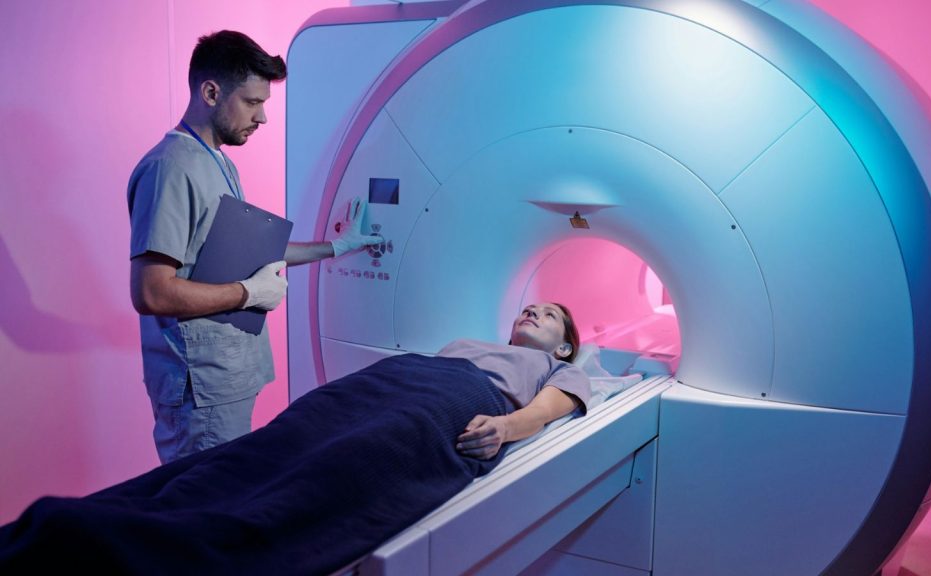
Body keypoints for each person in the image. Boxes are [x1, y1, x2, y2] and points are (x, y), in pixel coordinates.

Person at [0, 302, 591, 575]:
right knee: (271, 445)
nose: (532, 312)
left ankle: (146, 546)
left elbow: (553, 407)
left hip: (453, 401)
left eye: (548, 316)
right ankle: (107, 516)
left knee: (344, 465)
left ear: (564, 345)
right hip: (399, 376)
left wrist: (506, 428)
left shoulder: (554, 370)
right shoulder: (462, 338)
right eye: (528, 307)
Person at [127, 30, 376, 464]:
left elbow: (256, 254)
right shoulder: (172, 168)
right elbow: (152, 292)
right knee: (206, 507)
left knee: (227, 497)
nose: (262, 117)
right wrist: (249, 293)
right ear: (210, 91)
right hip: (200, 387)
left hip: (227, 377)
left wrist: (336, 247)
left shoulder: (218, 161)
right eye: (252, 102)